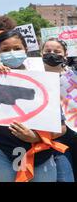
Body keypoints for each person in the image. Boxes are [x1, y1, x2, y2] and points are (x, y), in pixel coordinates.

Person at [0, 21, 67, 182]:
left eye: (17, 48)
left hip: (40, 153)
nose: (12, 53)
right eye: (6, 50)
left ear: (26, 50)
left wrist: (35, 137)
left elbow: (61, 127)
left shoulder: (42, 81)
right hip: (3, 153)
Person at [42, 38, 76, 182]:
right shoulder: (35, 77)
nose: (52, 54)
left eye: (57, 51)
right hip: (55, 138)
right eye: (48, 51)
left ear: (65, 54)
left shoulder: (73, 76)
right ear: (41, 53)